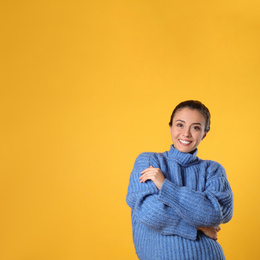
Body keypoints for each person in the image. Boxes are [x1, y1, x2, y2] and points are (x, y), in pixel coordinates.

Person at [126, 100, 233, 260]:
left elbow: (214, 214)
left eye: (196, 127)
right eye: (180, 125)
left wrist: (165, 186)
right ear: (170, 127)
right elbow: (151, 212)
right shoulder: (149, 161)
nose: (186, 134)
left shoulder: (213, 169)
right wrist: (200, 227)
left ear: (204, 133)